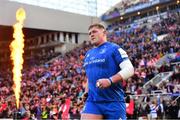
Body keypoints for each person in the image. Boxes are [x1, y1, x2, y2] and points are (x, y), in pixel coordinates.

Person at [81, 23, 134, 120]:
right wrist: (86, 91)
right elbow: (90, 76)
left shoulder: (114, 49)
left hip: (113, 102)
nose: (91, 35)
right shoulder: (88, 54)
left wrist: (110, 80)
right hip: (93, 102)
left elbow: (129, 69)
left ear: (104, 32)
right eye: (89, 33)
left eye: (94, 32)